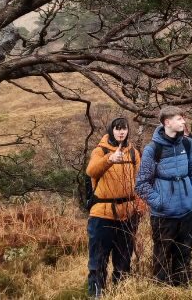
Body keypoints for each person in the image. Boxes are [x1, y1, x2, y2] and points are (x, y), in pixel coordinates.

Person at [135, 106, 192, 286]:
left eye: (183, 118)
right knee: (162, 256)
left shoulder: (188, 144)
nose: (183, 121)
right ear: (167, 122)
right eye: (179, 118)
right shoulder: (153, 149)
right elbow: (141, 184)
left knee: (184, 254)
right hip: (163, 216)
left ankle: (182, 289)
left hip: (186, 212)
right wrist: (160, 202)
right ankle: (162, 291)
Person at [85, 118, 145, 297]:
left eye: (124, 129)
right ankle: (97, 294)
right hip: (102, 214)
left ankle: (120, 293)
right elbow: (91, 171)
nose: (121, 132)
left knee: (124, 259)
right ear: (111, 130)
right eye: (117, 129)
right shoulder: (100, 150)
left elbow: (139, 182)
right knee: (98, 259)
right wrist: (109, 159)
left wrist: (139, 206)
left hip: (127, 214)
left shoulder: (133, 153)